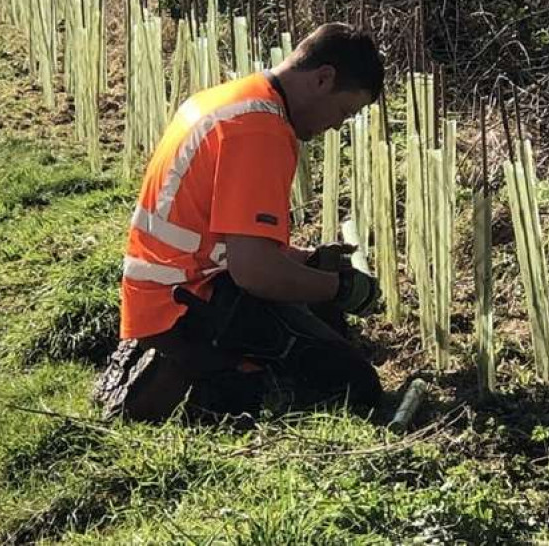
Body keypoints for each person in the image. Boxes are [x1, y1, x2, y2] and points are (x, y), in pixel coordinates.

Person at [93, 22, 386, 423]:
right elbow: (254, 272)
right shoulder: (260, 131)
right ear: (323, 79)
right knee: (354, 384)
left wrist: (306, 260)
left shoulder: (237, 99)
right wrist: (342, 288)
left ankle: (204, 367)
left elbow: (231, 237)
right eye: (343, 111)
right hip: (184, 305)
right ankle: (196, 372)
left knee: (321, 321)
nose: (335, 126)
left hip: (160, 290)